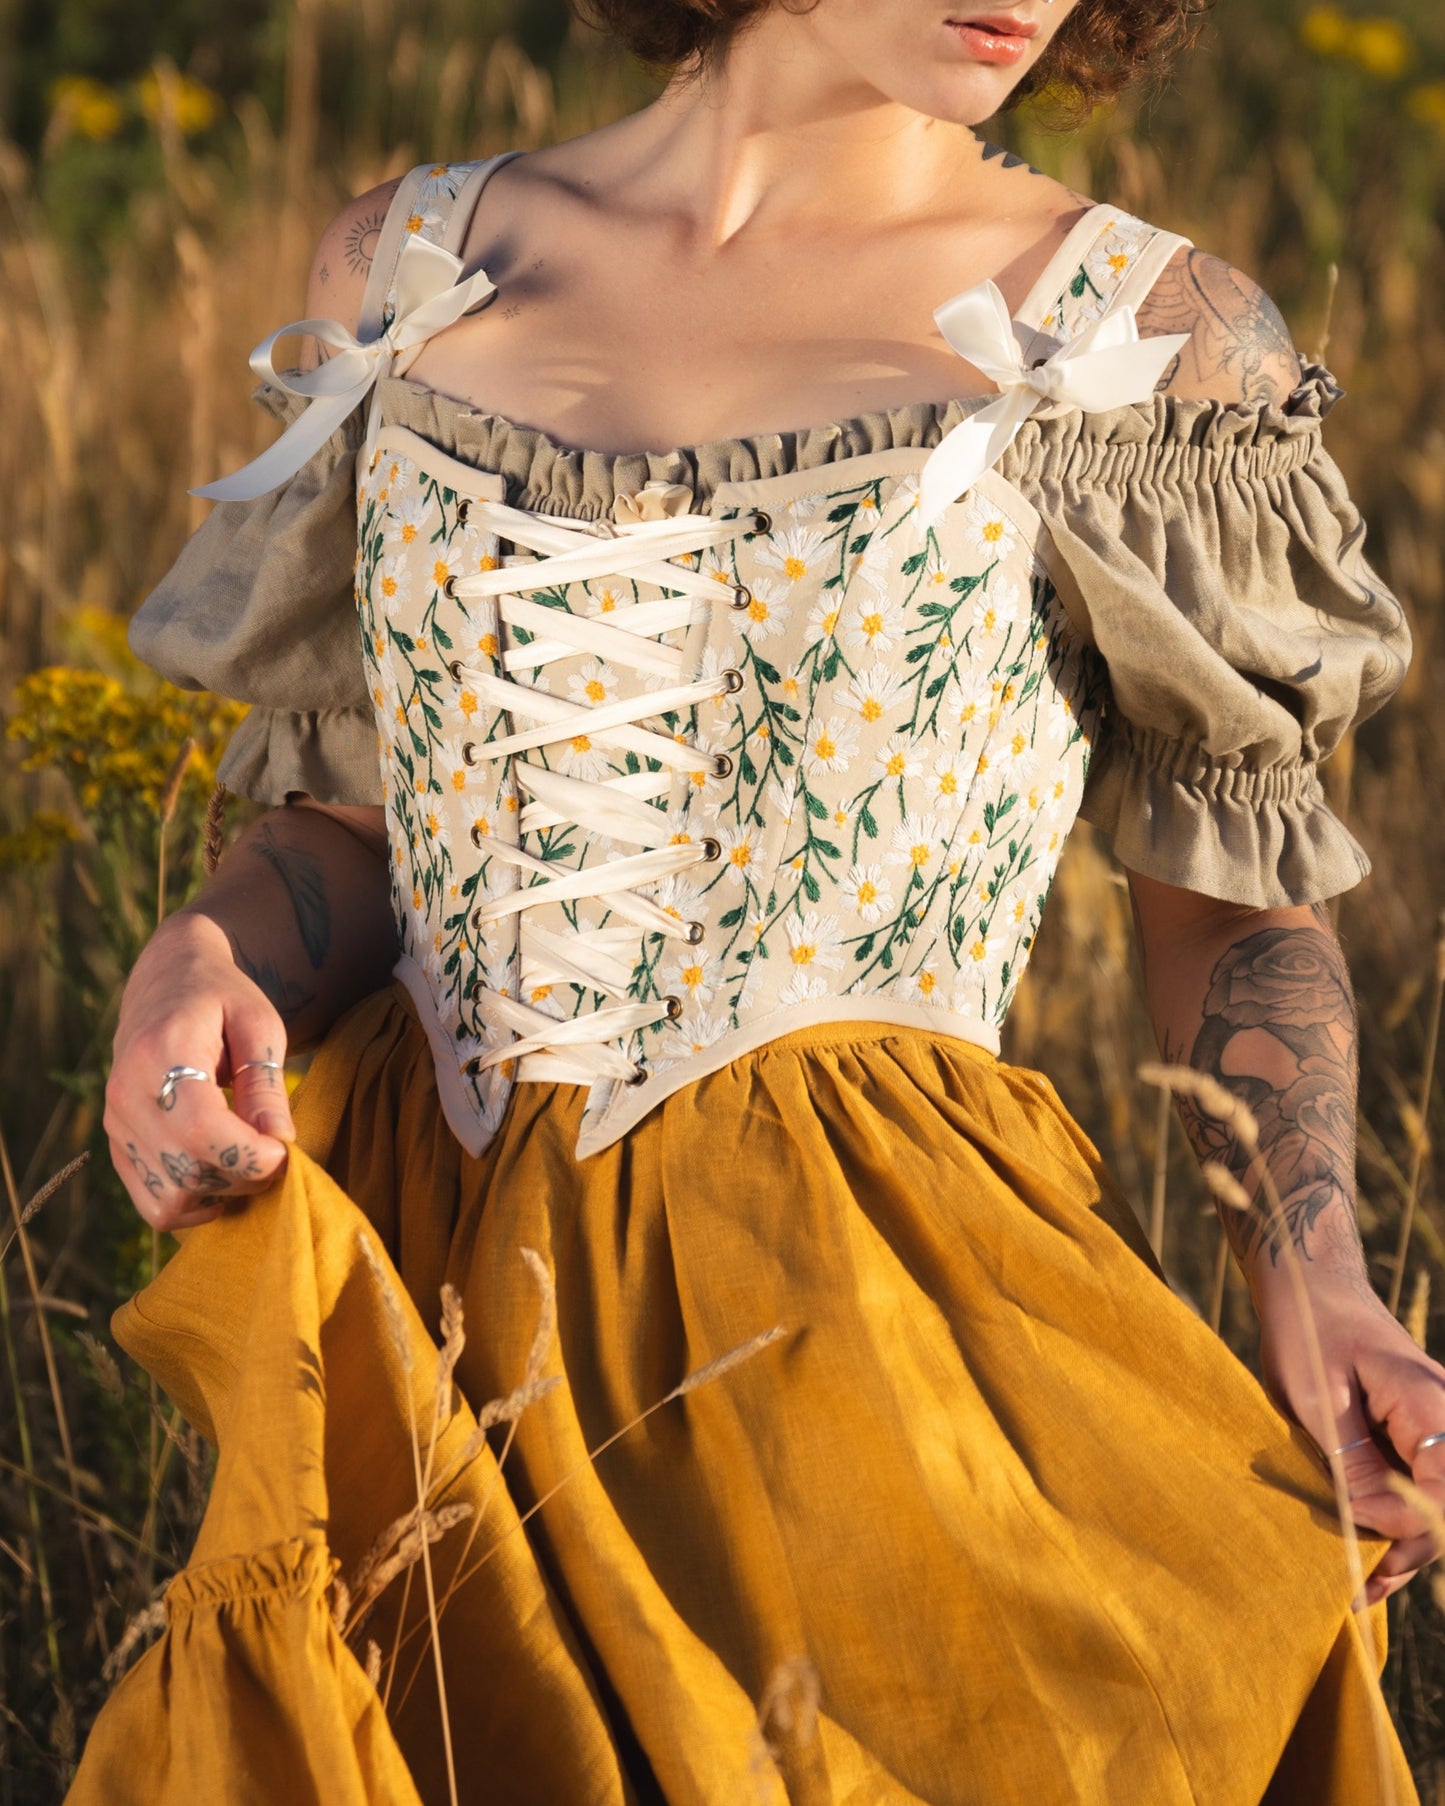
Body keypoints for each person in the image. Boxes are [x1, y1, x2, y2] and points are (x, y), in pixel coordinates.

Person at [72, 0, 1436, 1800]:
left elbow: (1228, 910)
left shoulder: (1143, 342)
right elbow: (349, 824)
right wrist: (200, 955)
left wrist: (1321, 1271)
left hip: (863, 1327)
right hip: (419, 1326)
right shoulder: (409, 266)